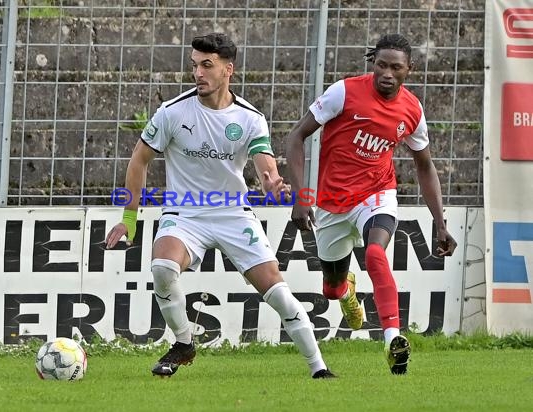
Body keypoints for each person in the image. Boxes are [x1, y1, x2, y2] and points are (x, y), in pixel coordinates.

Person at [105, 32, 334, 379]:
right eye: (194, 65)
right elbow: (139, 161)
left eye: (206, 65)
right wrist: (128, 219)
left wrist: (272, 183)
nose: (198, 73)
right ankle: (183, 344)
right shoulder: (172, 112)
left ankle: (319, 368)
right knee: (163, 269)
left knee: (278, 294)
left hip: (232, 213)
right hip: (184, 213)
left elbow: (264, 163)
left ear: (229, 70)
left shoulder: (249, 118)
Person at [285, 33, 457, 375]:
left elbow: (425, 166)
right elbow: (296, 136)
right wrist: (302, 197)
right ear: (372, 64)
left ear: (410, 69)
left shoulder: (412, 109)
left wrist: (440, 223)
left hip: (376, 193)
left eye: (396, 67)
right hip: (332, 202)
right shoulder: (344, 92)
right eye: (381, 65)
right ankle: (345, 290)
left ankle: (393, 339)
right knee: (331, 289)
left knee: (376, 253)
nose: (387, 73)